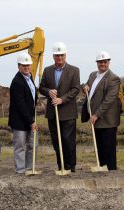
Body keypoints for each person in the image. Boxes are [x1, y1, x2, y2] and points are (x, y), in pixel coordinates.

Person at [39, 42, 80, 172]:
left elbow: (75, 89)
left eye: (61, 55)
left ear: (65, 55)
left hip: (68, 112)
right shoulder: (47, 70)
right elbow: (41, 88)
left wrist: (61, 99)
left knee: (68, 141)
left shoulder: (74, 70)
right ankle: (61, 165)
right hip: (52, 113)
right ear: (53, 56)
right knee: (57, 142)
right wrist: (48, 92)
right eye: (57, 56)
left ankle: (70, 166)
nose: (59, 58)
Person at [82, 51, 120, 170]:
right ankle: (102, 168)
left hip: (107, 120)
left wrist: (96, 115)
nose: (102, 64)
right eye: (100, 62)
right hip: (95, 118)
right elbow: (88, 88)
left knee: (108, 147)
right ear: (97, 63)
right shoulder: (93, 75)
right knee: (99, 146)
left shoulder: (114, 78)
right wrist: (85, 87)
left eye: (105, 62)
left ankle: (111, 171)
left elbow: (109, 100)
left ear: (108, 62)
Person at [9, 53, 38, 174]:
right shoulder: (17, 82)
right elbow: (21, 105)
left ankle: (29, 168)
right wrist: (31, 121)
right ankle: (20, 170)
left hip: (29, 118)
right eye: (23, 65)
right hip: (20, 121)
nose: (26, 67)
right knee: (20, 146)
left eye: (28, 65)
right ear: (18, 66)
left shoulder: (29, 77)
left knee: (32, 145)